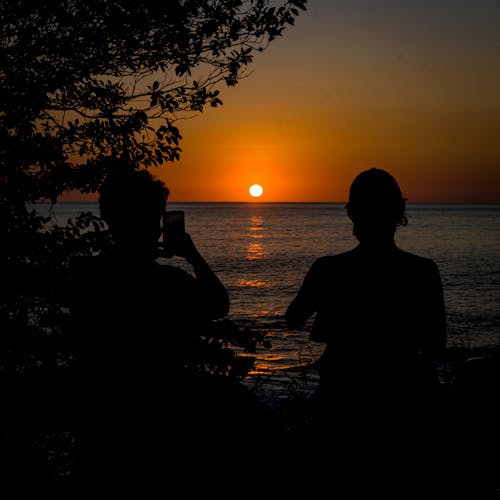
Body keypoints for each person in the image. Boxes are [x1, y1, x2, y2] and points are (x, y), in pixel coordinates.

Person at [69, 168, 231, 484]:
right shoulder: (168, 282)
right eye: (157, 217)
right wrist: (193, 256)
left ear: (110, 218)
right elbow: (218, 305)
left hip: (100, 420)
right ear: (153, 223)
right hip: (160, 420)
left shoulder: (86, 275)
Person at [285, 168, 447, 453]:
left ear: (354, 215)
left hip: (343, 399)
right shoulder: (423, 271)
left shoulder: (327, 269)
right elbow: (436, 344)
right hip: (407, 400)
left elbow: (293, 320)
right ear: (398, 215)